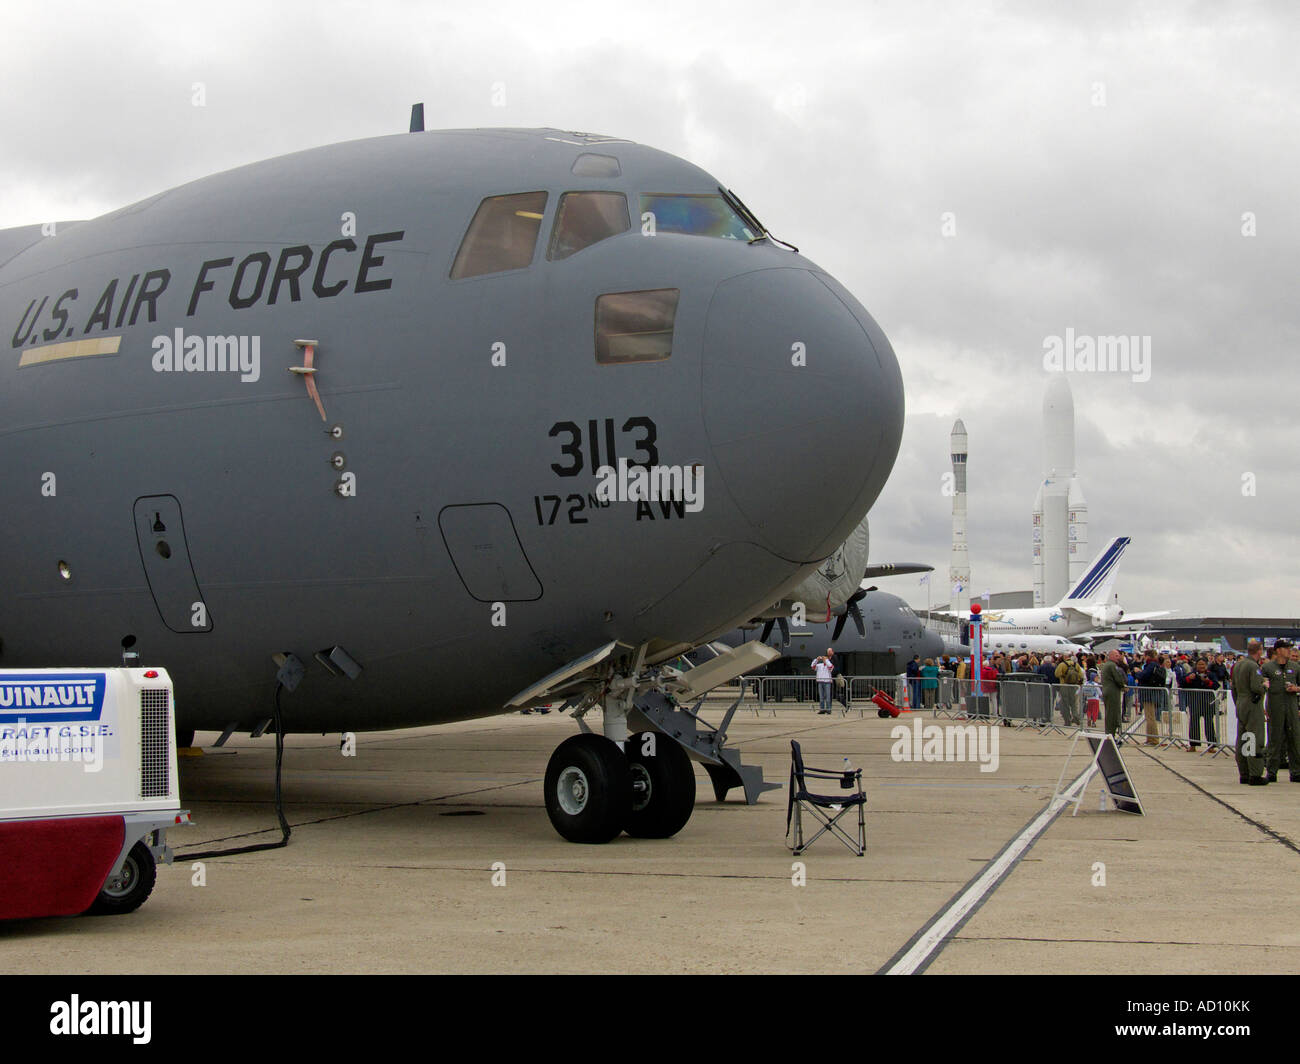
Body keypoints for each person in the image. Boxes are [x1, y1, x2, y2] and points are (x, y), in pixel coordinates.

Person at [1262, 640, 1300, 783]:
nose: (1289, 651)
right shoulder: (1267, 667)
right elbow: (1262, 685)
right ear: (1278, 650)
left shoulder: (1295, 667)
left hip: (1291, 708)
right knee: (1274, 741)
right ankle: (1271, 772)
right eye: (1286, 648)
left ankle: (1296, 772)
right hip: (1275, 708)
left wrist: (1296, 689)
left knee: (1295, 740)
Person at [1232, 640, 1269, 785]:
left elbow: (1234, 687)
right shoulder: (1253, 666)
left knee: (1242, 738)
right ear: (1259, 651)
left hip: (1241, 702)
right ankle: (1255, 774)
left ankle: (1244, 773)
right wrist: (1265, 686)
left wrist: (1239, 703)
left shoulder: (1238, 665)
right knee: (1254, 738)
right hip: (1252, 704)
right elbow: (1256, 687)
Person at [1179, 658, 1219, 750]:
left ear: (1206, 665)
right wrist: (1189, 679)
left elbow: (1216, 685)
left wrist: (1207, 681)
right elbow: (1181, 683)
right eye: (1199, 664)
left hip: (1208, 702)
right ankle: (1193, 745)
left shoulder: (1211, 674)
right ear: (1196, 665)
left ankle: (1211, 746)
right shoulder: (1191, 674)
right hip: (1194, 701)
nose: (1201, 666)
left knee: (1209, 724)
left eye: (1203, 664)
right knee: (1194, 723)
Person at [1137, 650, 1166, 746]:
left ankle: (1153, 739)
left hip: (1149, 694)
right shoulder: (1155, 665)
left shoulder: (1151, 665)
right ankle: (1150, 738)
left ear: (1147, 656)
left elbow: (1144, 676)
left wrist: (1137, 673)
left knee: (1150, 718)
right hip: (1152, 694)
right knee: (1150, 717)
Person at [1100, 649, 1128, 739]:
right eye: (1116, 655)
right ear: (1111, 656)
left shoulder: (1106, 665)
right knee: (1113, 714)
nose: (1118, 657)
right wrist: (1123, 685)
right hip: (1112, 692)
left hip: (1107, 690)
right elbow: (1118, 678)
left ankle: (1109, 733)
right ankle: (1110, 734)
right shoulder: (1112, 665)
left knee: (1109, 713)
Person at [1055, 653, 1084, 727]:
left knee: (1065, 704)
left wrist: (1063, 676)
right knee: (1073, 703)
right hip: (1074, 686)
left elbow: (1057, 674)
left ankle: (1067, 721)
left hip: (1064, 685)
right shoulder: (1076, 665)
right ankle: (1075, 717)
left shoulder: (1062, 665)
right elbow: (1081, 676)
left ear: (1065, 657)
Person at [812, 649, 835, 714]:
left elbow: (831, 667)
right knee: (821, 697)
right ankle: (822, 709)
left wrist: (826, 660)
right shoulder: (819, 665)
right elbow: (813, 666)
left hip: (827, 682)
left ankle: (828, 709)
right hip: (820, 682)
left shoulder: (829, 665)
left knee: (828, 697)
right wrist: (816, 660)